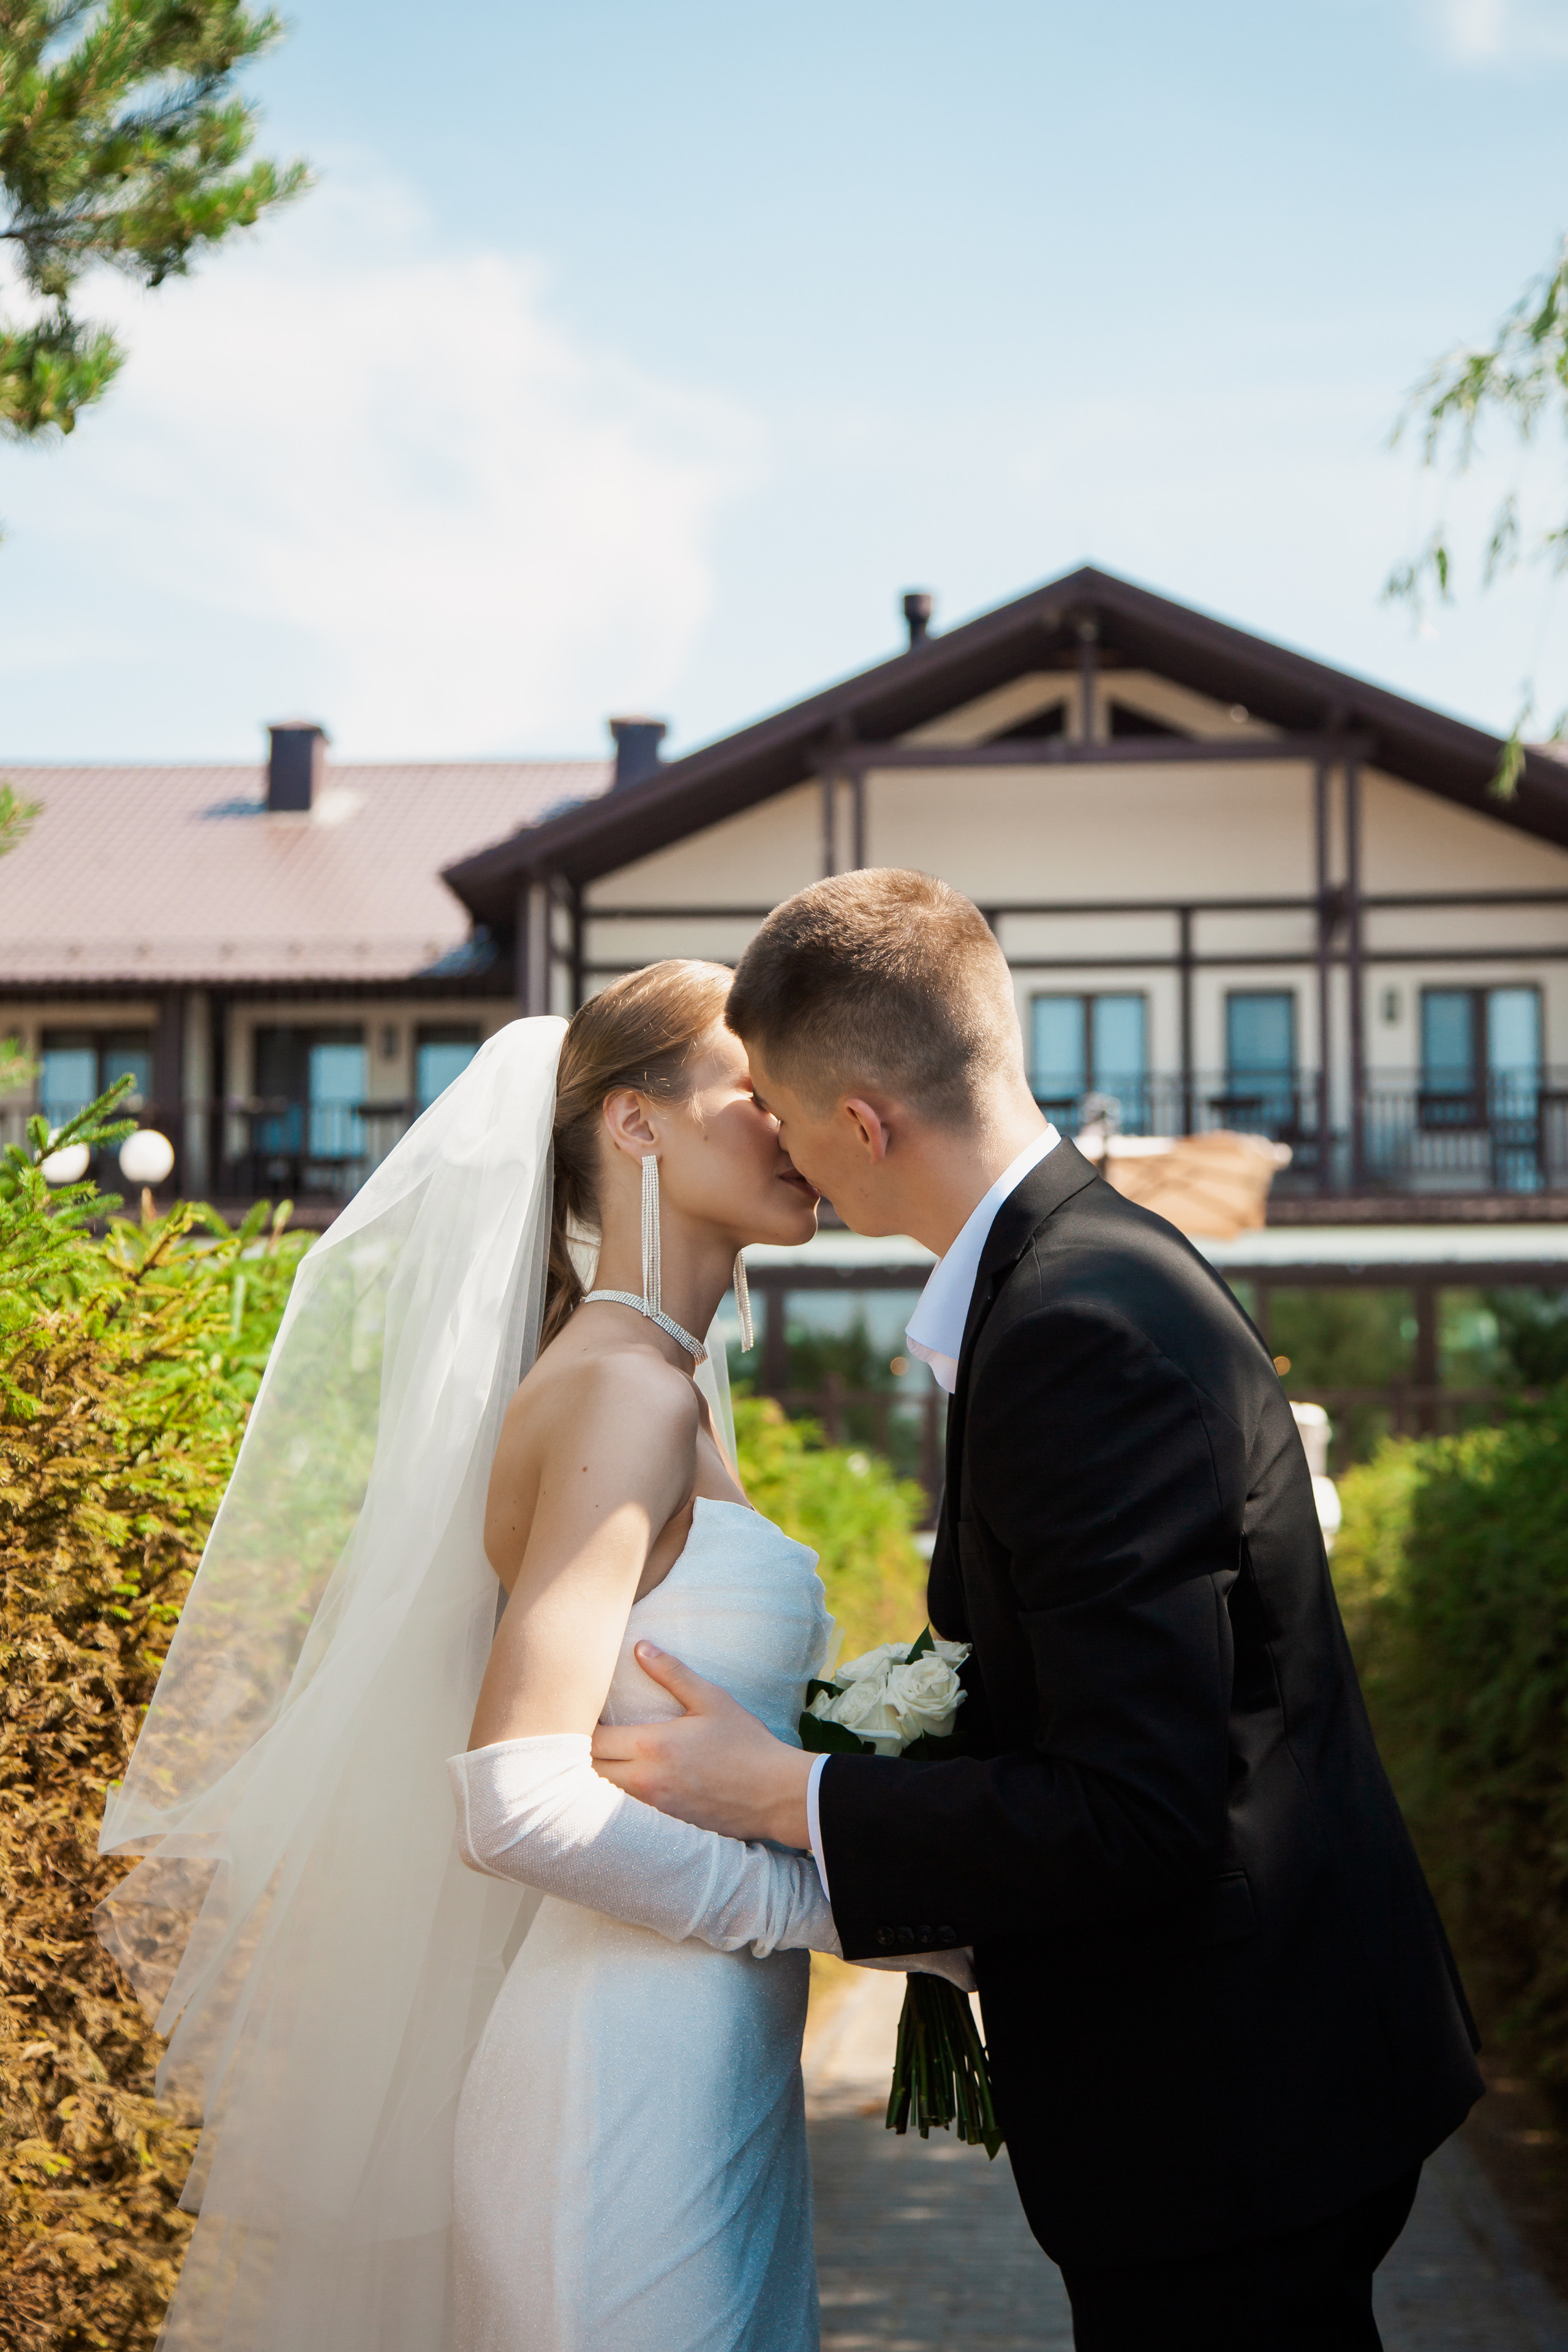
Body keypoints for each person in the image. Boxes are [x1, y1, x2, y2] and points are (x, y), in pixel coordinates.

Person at [591, 871, 1485, 2352]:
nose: (781, 1147)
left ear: (862, 1125)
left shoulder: (1070, 1329)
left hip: (1228, 2107)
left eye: (787, 1113)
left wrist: (791, 1794)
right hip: (1273, 2068)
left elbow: (1140, 1806)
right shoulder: (1089, 1271)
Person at [98, 963, 897, 2352]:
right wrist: (819, 1907)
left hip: (711, 2077)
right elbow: (514, 1795)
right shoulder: (617, 1394)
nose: (798, 1122)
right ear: (636, 1127)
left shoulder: (665, 1387)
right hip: (615, 2094)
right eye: (753, 1095)